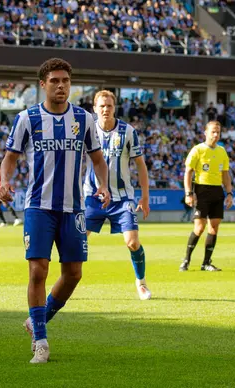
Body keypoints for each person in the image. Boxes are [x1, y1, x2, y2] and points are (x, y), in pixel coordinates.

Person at [0, 58, 111, 364]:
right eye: (55, 81)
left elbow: (98, 160)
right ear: (43, 84)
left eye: (65, 81)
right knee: (38, 270)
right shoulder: (27, 118)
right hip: (38, 207)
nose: (61, 86)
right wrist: (5, 181)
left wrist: (104, 185)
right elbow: (9, 158)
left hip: (73, 208)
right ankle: (41, 342)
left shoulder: (85, 120)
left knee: (73, 274)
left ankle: (38, 319)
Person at [83, 90, 152, 300]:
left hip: (122, 198)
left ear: (115, 108)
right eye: (101, 106)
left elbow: (140, 165)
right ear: (94, 109)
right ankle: (66, 284)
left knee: (132, 242)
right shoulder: (86, 131)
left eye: (109, 106)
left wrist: (145, 196)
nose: (105, 109)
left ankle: (141, 283)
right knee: (77, 243)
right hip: (91, 197)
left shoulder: (128, 132)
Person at [179, 121, 233, 272]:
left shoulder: (222, 151)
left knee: (214, 227)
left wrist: (229, 193)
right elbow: (188, 172)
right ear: (206, 133)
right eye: (213, 132)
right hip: (202, 190)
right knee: (199, 227)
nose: (216, 135)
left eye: (218, 132)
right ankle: (186, 260)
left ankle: (206, 263)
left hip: (217, 191)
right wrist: (188, 193)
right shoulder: (197, 150)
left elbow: (225, 174)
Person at [0, 160, 21, 227]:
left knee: (5, 204)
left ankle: (16, 219)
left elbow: (5, 179)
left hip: (1, 190)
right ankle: (4, 222)